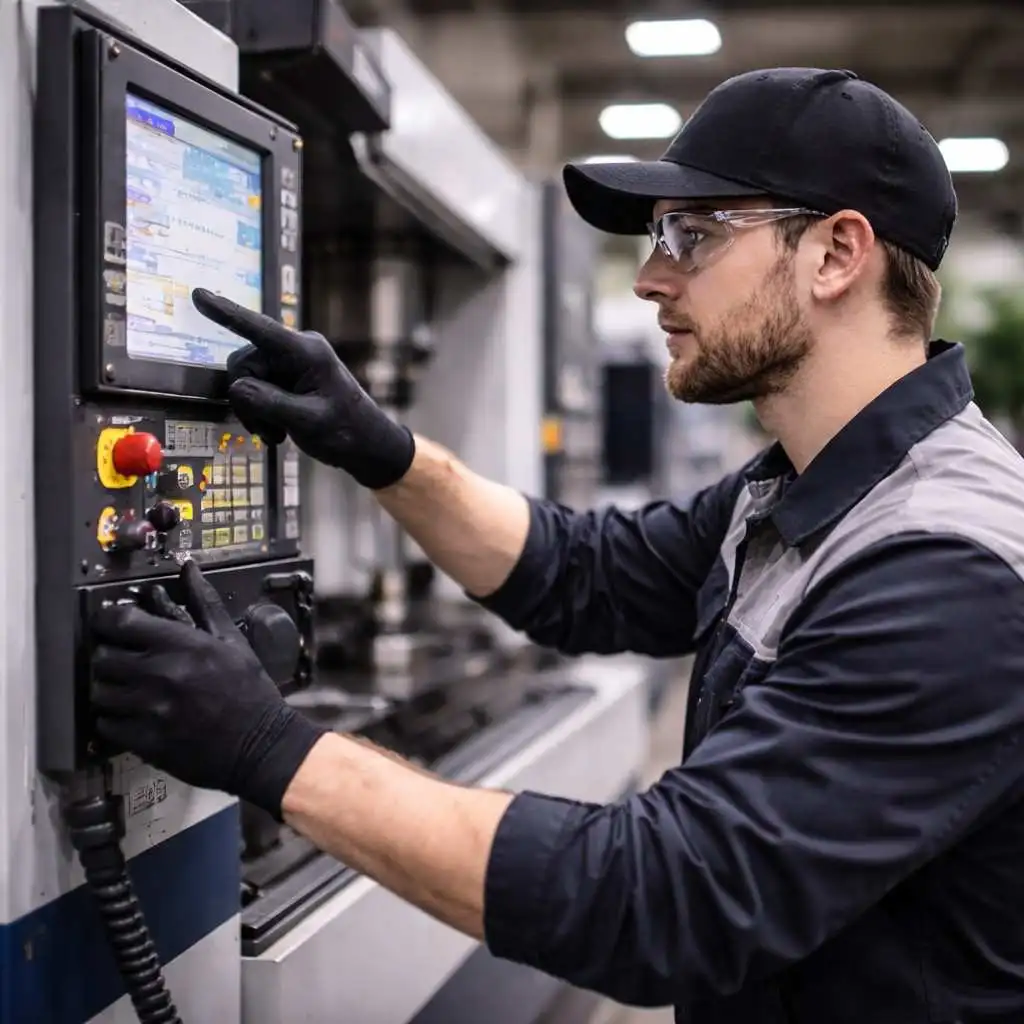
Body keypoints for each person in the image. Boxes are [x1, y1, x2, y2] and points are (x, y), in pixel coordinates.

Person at [89, 67, 1024, 1024]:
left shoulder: (947, 567)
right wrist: (383, 451)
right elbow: (583, 573)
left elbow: (665, 898)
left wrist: (267, 747)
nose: (652, 277)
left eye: (692, 236)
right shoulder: (796, 485)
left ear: (836, 254)